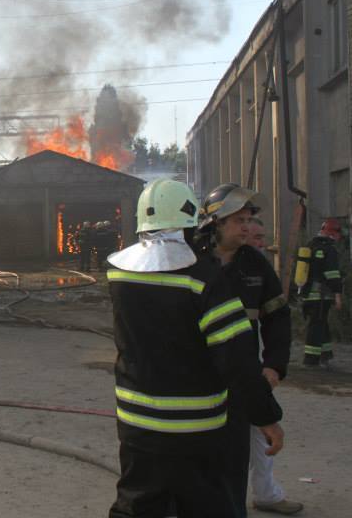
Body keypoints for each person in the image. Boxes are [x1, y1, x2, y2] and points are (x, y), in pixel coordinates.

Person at [106, 179, 283, 518]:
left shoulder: (118, 274)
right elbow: (238, 361)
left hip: (136, 424)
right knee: (206, 505)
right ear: (192, 221)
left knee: (137, 503)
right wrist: (267, 417)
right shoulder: (206, 280)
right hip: (195, 429)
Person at [198, 185, 302, 516]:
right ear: (215, 223)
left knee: (250, 437)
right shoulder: (192, 260)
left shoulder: (255, 265)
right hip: (200, 372)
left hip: (243, 369)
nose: (246, 227)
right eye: (238, 220)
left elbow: (278, 317)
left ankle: (260, 495)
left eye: (247, 219)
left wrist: (274, 365)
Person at [299, 218, 343, 367]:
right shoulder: (329, 249)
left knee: (321, 323)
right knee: (317, 325)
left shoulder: (310, 245)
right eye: (338, 234)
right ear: (333, 233)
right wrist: (337, 295)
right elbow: (332, 274)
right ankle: (310, 360)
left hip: (308, 293)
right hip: (322, 295)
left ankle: (326, 355)